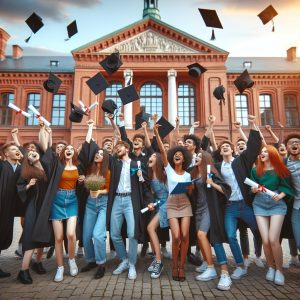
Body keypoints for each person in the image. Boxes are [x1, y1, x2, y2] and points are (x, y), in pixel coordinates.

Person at [214, 115, 262, 280]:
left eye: (228, 145)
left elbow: (254, 146)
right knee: (231, 235)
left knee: (260, 231)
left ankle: (267, 260)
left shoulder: (241, 161)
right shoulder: (218, 167)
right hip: (231, 207)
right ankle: (241, 266)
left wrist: (253, 124)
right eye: (223, 146)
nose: (225, 147)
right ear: (220, 152)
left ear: (232, 149)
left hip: (246, 204)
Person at [39, 126, 85, 282]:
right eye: (67, 148)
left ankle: (71, 260)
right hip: (57, 201)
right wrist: (46, 133)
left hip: (72, 200)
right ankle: (60, 267)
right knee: (58, 238)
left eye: (72, 148)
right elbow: (45, 150)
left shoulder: (78, 167)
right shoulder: (57, 165)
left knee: (71, 234)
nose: (69, 150)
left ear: (74, 153)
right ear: (63, 152)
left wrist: (82, 180)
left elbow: (81, 184)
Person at [107, 140, 153, 280]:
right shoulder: (115, 164)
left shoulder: (136, 164)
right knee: (114, 233)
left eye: (119, 146)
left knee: (132, 233)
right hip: (117, 200)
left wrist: (149, 201)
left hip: (130, 201)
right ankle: (124, 259)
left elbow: (145, 185)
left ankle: (132, 264)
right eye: (115, 148)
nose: (116, 149)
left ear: (126, 148)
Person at [154, 123, 193, 281]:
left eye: (180, 154)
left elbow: (190, 191)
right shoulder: (168, 169)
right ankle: (174, 265)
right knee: (176, 236)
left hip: (184, 203)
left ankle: (181, 267)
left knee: (184, 235)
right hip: (171, 203)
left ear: (184, 158)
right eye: (175, 154)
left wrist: (191, 186)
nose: (177, 155)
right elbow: (163, 151)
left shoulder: (188, 175)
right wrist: (156, 132)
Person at [251, 145, 294, 285]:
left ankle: (279, 270)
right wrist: (254, 190)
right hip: (260, 204)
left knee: (273, 239)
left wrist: (281, 195)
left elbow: (287, 187)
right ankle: (271, 267)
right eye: (261, 151)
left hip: (277, 204)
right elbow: (252, 187)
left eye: (265, 152)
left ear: (272, 154)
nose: (262, 153)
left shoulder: (281, 170)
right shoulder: (255, 170)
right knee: (265, 240)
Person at [190, 150, 233, 290]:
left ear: (206, 160)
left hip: (209, 208)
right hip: (198, 209)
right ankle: (207, 263)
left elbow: (226, 189)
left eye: (200, 156)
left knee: (206, 235)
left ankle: (217, 270)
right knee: (201, 237)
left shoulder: (211, 172)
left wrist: (211, 183)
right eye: (197, 156)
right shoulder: (195, 173)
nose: (197, 157)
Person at [80, 120, 111, 279]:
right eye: (96, 153)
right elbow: (86, 147)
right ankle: (91, 260)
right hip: (90, 204)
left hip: (103, 203)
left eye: (100, 154)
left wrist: (99, 190)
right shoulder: (89, 169)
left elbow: (109, 189)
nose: (97, 155)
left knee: (98, 235)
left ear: (104, 157)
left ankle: (101, 263)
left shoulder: (108, 172)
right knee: (86, 235)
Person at [16, 150, 49, 284]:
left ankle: (37, 262)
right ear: (27, 160)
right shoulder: (25, 172)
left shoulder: (44, 167)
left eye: (34, 152)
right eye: (29, 154)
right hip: (33, 207)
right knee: (30, 236)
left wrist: (37, 161)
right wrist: (28, 186)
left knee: (42, 236)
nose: (32, 153)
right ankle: (23, 270)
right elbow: (19, 188)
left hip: (44, 208)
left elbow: (48, 178)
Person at [0, 143, 22, 278]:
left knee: (3, 235)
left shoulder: (20, 168)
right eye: (14, 149)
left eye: (18, 149)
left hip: (9, 208)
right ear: (6, 154)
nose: (17, 150)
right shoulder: (2, 166)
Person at [146, 152, 169, 279]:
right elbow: (153, 195)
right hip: (158, 204)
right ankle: (156, 259)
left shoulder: (164, 174)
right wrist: (152, 204)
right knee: (151, 230)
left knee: (150, 228)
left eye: (154, 156)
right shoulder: (149, 175)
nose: (151, 158)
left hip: (167, 204)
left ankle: (159, 263)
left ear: (159, 160)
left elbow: (169, 193)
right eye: (151, 156)